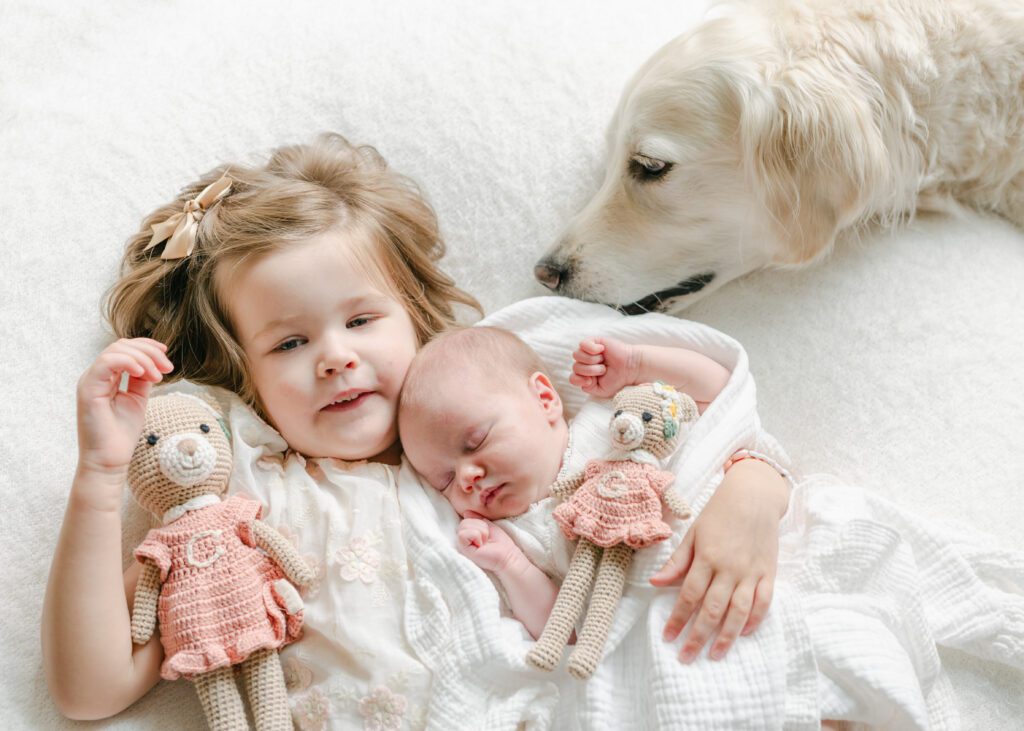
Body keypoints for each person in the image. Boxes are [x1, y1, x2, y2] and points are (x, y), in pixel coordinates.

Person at [40, 133, 791, 728]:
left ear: (414, 314)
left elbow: (688, 408)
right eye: (289, 344)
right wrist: (100, 479)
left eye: (361, 320)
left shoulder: (486, 400)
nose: (336, 357)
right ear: (246, 376)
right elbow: (90, 689)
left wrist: (754, 484)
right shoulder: (241, 491)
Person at [398, 326, 789, 658]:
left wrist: (637, 364)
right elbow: (566, 634)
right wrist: (511, 566)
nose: (467, 477)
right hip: (666, 628)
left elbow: (714, 395)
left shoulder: (607, 419)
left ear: (545, 399)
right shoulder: (514, 538)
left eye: (476, 441)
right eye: (444, 481)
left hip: (736, 549)